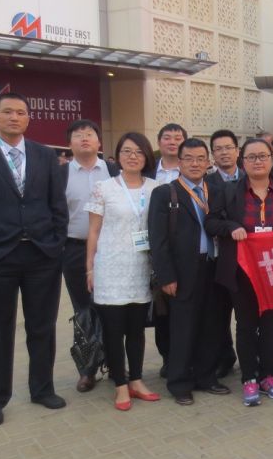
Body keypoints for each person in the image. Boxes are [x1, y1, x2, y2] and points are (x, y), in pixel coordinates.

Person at [0, 92, 68, 427]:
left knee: (42, 326)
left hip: (42, 254)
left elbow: (57, 204)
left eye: (21, 112)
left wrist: (56, 241)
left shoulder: (45, 155)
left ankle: (42, 388)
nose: (14, 117)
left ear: (28, 118)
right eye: (7, 112)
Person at [206, 138, 273, 407]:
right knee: (245, 325)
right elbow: (211, 222)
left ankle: (267, 374)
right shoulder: (229, 191)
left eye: (263, 156)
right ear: (242, 161)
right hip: (241, 270)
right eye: (251, 157)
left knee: (269, 323)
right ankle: (249, 378)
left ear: (272, 160)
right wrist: (231, 227)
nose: (258, 161)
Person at [148, 138, 230, 405]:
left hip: (212, 267)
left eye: (200, 158)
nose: (195, 164)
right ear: (179, 162)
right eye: (189, 159)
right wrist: (166, 276)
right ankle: (179, 383)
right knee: (182, 328)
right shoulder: (165, 193)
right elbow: (157, 239)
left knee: (211, 325)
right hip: (182, 271)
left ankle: (206, 377)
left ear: (208, 162)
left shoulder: (216, 190)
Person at [85, 132, 160, 411]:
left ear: (146, 157)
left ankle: (136, 380)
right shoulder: (104, 188)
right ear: (117, 156)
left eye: (138, 152)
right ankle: (120, 385)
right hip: (110, 268)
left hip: (140, 268)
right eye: (127, 151)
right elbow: (93, 231)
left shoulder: (156, 188)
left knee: (136, 331)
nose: (132, 156)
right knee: (113, 331)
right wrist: (89, 268)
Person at [61, 119, 118, 392]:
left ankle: (116, 363)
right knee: (83, 309)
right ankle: (87, 368)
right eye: (77, 135)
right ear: (69, 143)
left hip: (112, 249)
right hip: (74, 249)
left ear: (99, 141)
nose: (84, 138)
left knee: (114, 308)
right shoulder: (60, 174)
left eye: (89, 134)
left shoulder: (113, 170)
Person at [206, 129, 244, 378]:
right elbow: (209, 221)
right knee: (219, 313)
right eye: (218, 149)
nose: (224, 153)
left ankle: (251, 356)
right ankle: (225, 356)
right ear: (213, 154)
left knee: (246, 314)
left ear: (237, 151)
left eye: (228, 147)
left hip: (249, 258)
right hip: (218, 257)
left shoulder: (252, 177)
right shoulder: (206, 183)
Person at [152, 122, 187, 376]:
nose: (172, 141)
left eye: (178, 137)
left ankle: (186, 358)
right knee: (161, 310)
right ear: (159, 142)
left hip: (184, 250)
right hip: (153, 247)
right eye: (167, 137)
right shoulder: (146, 171)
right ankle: (167, 358)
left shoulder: (194, 172)